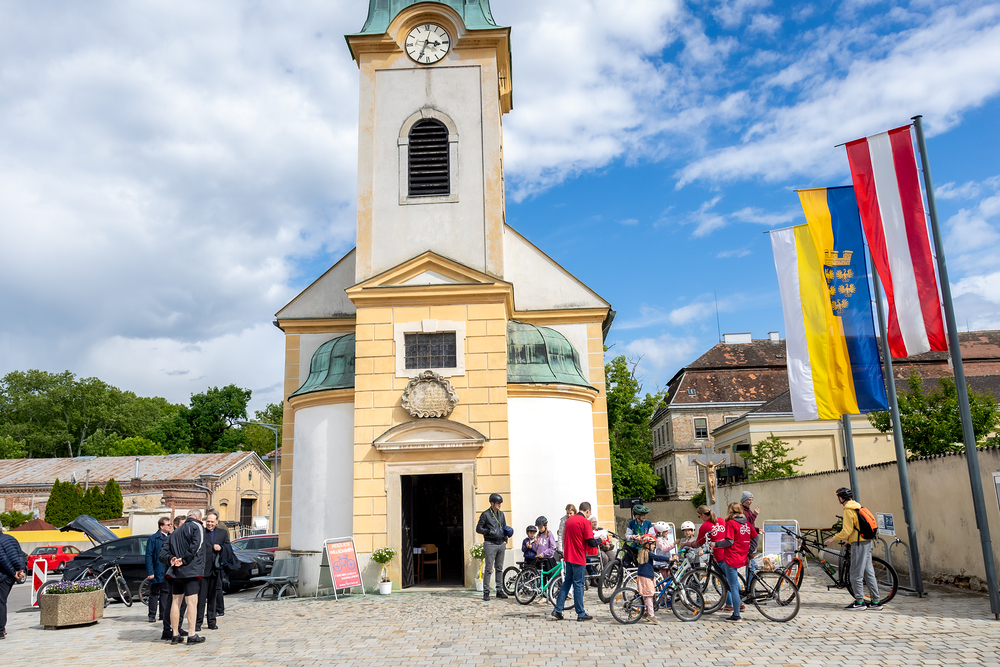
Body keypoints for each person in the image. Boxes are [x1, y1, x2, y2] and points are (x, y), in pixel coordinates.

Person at [825, 487, 881, 611]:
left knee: (855, 573)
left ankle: (860, 602)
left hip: (859, 545)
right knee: (869, 573)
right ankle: (876, 601)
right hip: (867, 542)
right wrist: (849, 540)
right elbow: (856, 529)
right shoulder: (858, 507)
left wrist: (833, 539)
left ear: (841, 498)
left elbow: (846, 531)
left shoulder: (848, 510)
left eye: (838, 497)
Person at [161, 509, 207, 645]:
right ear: (199, 517)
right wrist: (184, 559)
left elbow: (163, 553)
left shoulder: (174, 533)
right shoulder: (197, 526)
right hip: (191, 570)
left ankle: (175, 634)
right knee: (192, 602)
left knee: (176, 602)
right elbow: (196, 545)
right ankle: (191, 634)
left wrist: (171, 559)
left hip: (176, 572)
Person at [551, 501, 601, 622]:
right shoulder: (585, 522)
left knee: (567, 582)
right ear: (587, 511)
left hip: (568, 556)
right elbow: (590, 541)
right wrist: (600, 539)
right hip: (578, 557)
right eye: (589, 513)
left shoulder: (569, 521)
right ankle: (580, 613)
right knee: (578, 584)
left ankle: (558, 609)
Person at [712, 502, 756, 622]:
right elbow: (755, 536)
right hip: (742, 556)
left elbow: (729, 542)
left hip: (731, 557)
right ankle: (739, 605)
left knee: (733, 587)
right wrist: (750, 549)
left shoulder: (731, 523)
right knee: (735, 583)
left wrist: (716, 544)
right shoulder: (746, 523)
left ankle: (736, 615)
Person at [196, 509, 230, 631]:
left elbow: (228, 548)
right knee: (201, 598)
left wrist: (221, 547)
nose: (209, 523)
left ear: (217, 521)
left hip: (216, 570)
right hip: (203, 570)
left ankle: (212, 621)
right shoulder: (201, 532)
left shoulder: (222, 533)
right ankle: (198, 623)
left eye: (212, 521)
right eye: (208, 521)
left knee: (213, 597)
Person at [475, 493, 509, 601]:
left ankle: (499, 590)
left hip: (501, 543)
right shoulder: (485, 514)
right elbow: (478, 528)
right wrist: (489, 531)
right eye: (498, 503)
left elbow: (504, 527)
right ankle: (486, 592)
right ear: (492, 503)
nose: (500, 505)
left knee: (499, 568)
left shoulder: (501, 514)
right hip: (490, 543)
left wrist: (505, 539)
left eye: (500, 503)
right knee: (488, 568)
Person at [145, 517, 173, 637]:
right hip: (157, 569)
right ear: (161, 526)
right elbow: (149, 556)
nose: (170, 526)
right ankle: (152, 614)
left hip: (167, 569)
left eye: (170, 524)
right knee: (154, 592)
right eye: (167, 524)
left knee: (165, 592)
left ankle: (163, 614)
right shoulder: (154, 538)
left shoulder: (171, 537)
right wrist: (150, 571)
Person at [635, 534, 671, 624]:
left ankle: (645, 612)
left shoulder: (643, 553)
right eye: (653, 544)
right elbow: (657, 557)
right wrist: (669, 559)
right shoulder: (648, 553)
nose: (654, 546)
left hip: (645, 576)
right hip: (646, 577)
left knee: (646, 595)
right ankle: (651, 615)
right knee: (649, 595)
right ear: (647, 545)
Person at [0, 525, 27, 641]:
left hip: (3, 575)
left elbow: (2, 559)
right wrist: (20, 570)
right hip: (10, 576)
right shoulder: (11, 538)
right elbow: (21, 555)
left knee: (0, 602)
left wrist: (13, 572)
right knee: (2, 601)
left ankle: (0, 630)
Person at [742, 491, 760, 576]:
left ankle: (751, 582)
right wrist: (755, 515)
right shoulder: (742, 511)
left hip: (752, 538)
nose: (751, 502)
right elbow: (747, 524)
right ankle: (750, 583)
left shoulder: (748, 510)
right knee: (751, 565)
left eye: (752, 500)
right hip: (748, 540)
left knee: (752, 565)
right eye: (749, 500)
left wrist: (757, 530)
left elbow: (751, 525)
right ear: (744, 500)